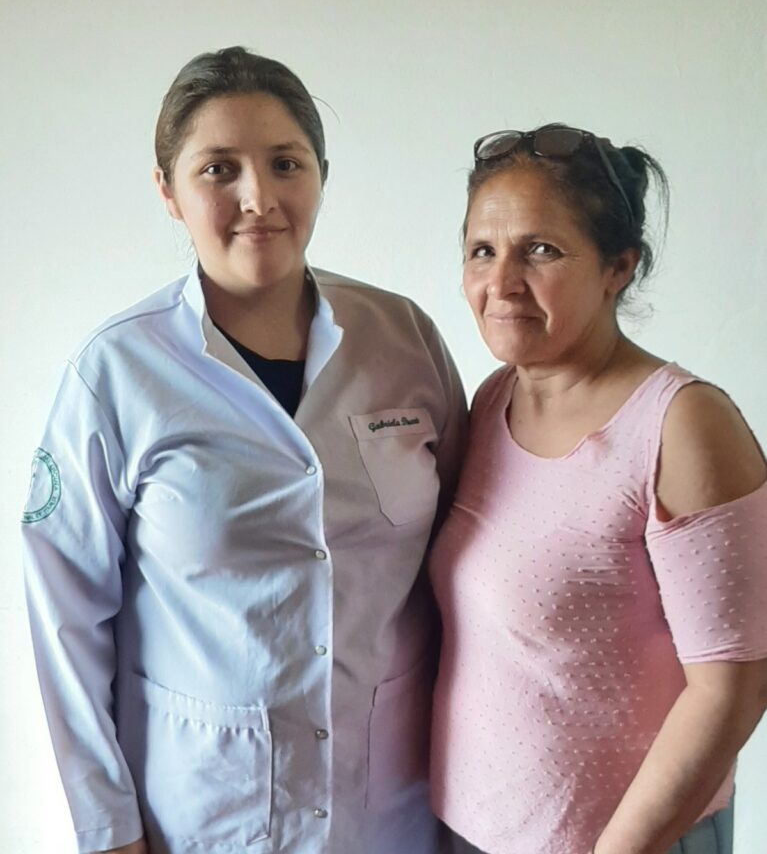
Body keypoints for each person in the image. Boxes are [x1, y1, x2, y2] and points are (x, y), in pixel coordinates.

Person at [22, 46, 467, 854]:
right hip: (204, 812)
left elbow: (465, 556)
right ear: (167, 191)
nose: (257, 198)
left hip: (390, 802)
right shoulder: (116, 372)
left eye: (285, 163)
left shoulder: (403, 338)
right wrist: (107, 827)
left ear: (321, 176)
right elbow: (65, 619)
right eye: (217, 169)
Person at [429, 125, 767, 854]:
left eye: (540, 250)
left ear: (619, 267)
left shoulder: (680, 425)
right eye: (482, 251)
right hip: (470, 830)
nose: (501, 282)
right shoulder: (492, 400)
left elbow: (733, 686)